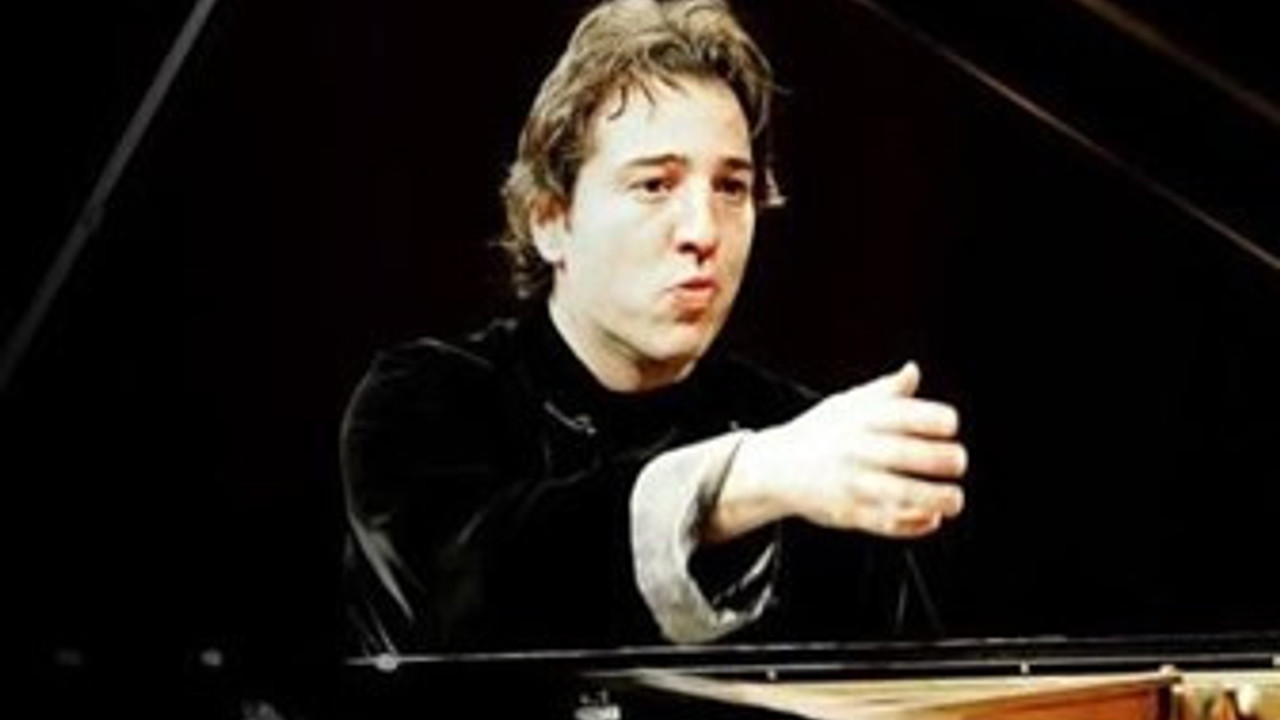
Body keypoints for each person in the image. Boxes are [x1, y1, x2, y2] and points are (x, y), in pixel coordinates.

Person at [339, 0, 967, 655]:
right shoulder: (421, 401)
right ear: (550, 219)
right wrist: (745, 480)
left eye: (731, 188)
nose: (702, 231)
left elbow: (915, 689)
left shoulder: (803, 438)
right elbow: (469, 595)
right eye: (655, 185)